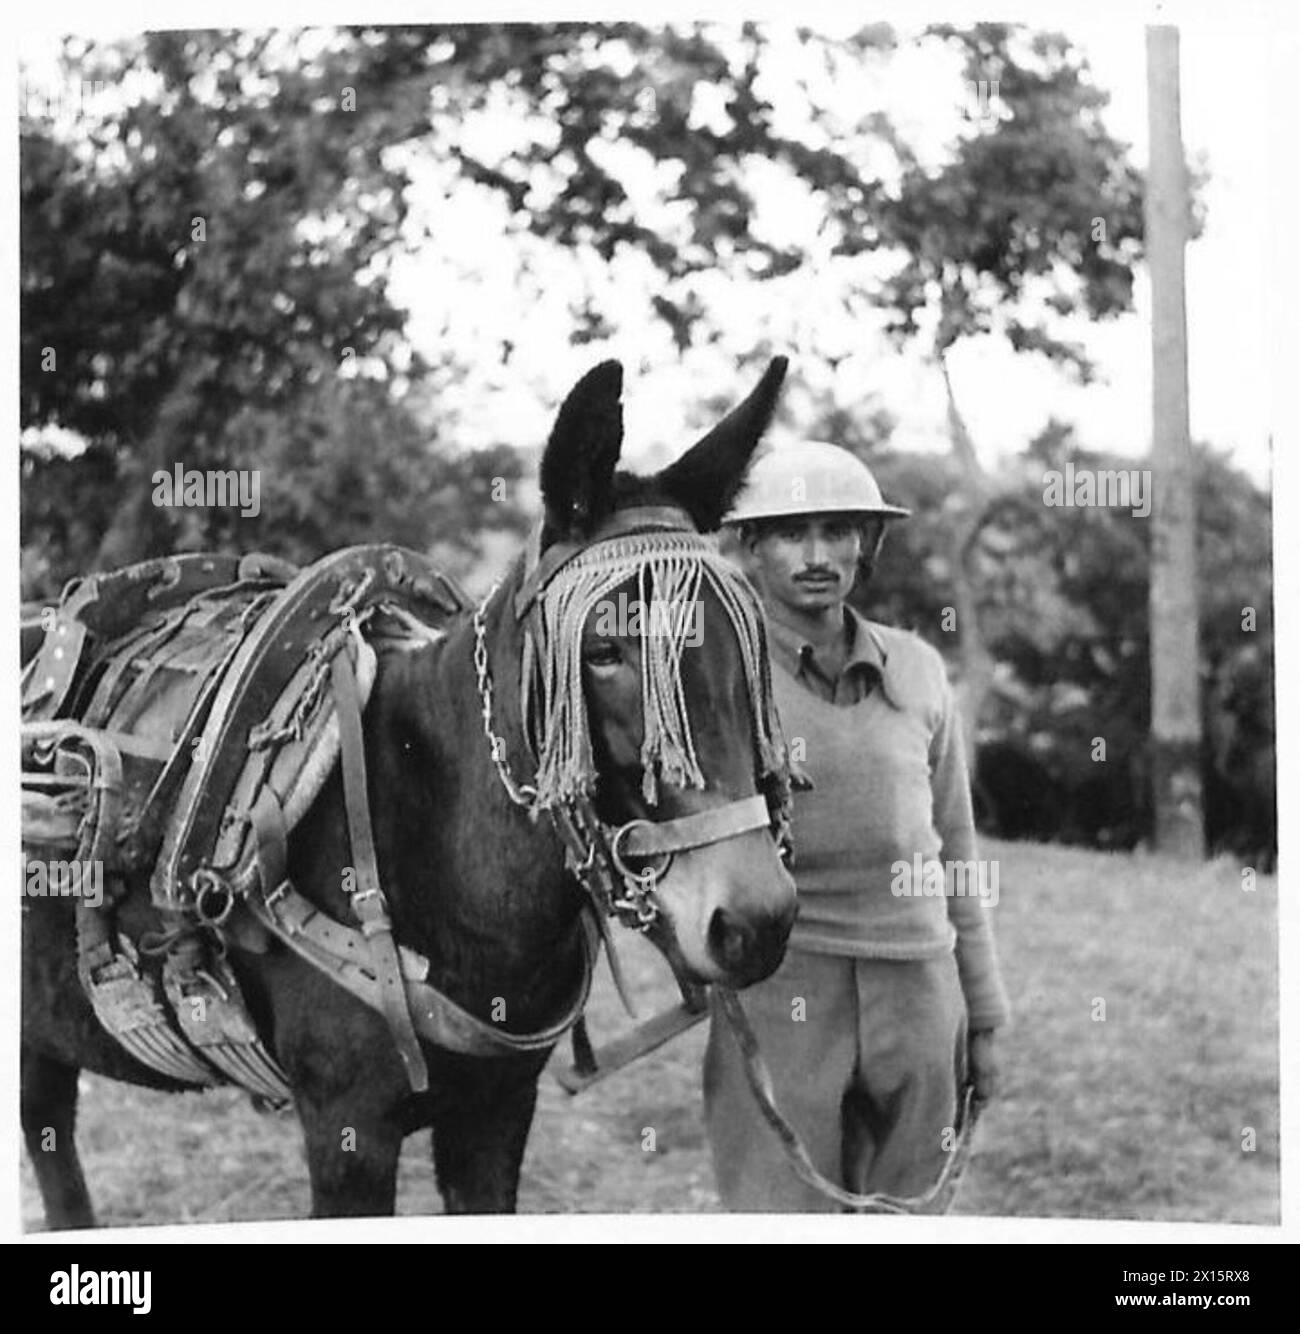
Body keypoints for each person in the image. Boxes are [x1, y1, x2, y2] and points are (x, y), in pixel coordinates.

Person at [704, 439, 1011, 1211]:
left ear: (866, 544)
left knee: (913, 1218)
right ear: (751, 545)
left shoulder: (917, 670)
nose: (818, 554)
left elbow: (953, 850)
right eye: (791, 532)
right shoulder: (717, 678)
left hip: (920, 988)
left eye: (838, 530)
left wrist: (987, 1016)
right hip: (782, 990)